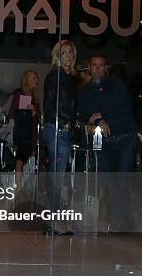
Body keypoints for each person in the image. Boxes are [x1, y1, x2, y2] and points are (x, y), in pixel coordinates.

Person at [76, 55, 138, 230]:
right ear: (89, 67)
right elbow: (86, 112)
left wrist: (103, 118)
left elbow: (125, 110)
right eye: (94, 65)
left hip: (125, 138)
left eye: (100, 66)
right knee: (110, 181)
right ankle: (120, 222)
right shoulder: (85, 91)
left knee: (123, 180)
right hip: (106, 141)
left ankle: (121, 223)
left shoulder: (116, 85)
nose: (97, 68)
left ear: (105, 68)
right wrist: (99, 120)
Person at [43, 40, 77, 173]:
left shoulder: (65, 76)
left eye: (70, 52)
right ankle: (53, 194)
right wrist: (64, 122)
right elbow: (51, 104)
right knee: (58, 170)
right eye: (64, 53)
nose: (68, 55)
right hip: (57, 128)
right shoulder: (56, 75)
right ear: (58, 56)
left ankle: (53, 194)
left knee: (58, 170)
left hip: (59, 127)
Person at [9, 70, 40, 182]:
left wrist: (34, 111)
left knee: (26, 157)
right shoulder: (20, 94)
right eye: (34, 78)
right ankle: (18, 185)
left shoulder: (34, 96)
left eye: (36, 78)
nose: (37, 80)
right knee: (21, 158)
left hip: (31, 132)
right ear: (27, 80)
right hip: (23, 132)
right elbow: (14, 113)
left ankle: (24, 185)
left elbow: (36, 116)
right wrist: (28, 111)